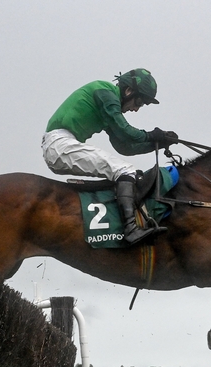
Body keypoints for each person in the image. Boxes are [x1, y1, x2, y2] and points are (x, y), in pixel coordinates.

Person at [42, 68, 178, 245]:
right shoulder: (105, 92)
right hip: (59, 144)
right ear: (128, 91)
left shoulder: (108, 105)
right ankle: (131, 229)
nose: (136, 109)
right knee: (125, 170)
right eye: (139, 102)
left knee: (123, 171)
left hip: (62, 145)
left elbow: (125, 147)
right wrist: (152, 135)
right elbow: (126, 131)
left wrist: (157, 144)